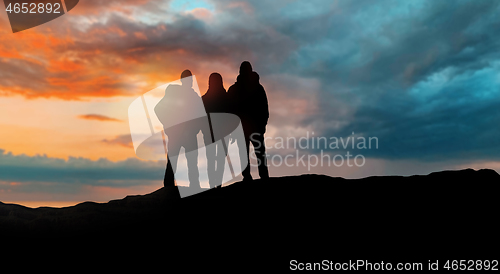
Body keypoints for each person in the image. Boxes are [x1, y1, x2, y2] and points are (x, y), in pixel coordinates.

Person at [154, 69, 207, 190]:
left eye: (191, 80)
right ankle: (169, 188)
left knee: (191, 162)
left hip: (187, 135)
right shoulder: (174, 93)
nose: (191, 82)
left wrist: (195, 130)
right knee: (175, 161)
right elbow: (158, 109)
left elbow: (201, 116)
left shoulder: (194, 97)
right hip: (177, 134)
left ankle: (194, 186)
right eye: (189, 80)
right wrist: (168, 125)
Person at [227, 61, 270, 181]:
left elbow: (264, 108)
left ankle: (259, 176)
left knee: (254, 153)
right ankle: (252, 176)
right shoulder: (256, 88)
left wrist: (263, 124)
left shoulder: (239, 89)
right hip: (247, 128)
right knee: (250, 153)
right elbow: (230, 111)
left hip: (253, 127)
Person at [202, 73, 230, 188]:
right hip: (221, 133)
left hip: (212, 133)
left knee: (212, 158)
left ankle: (213, 183)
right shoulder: (227, 98)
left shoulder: (204, 99)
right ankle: (217, 183)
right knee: (218, 158)